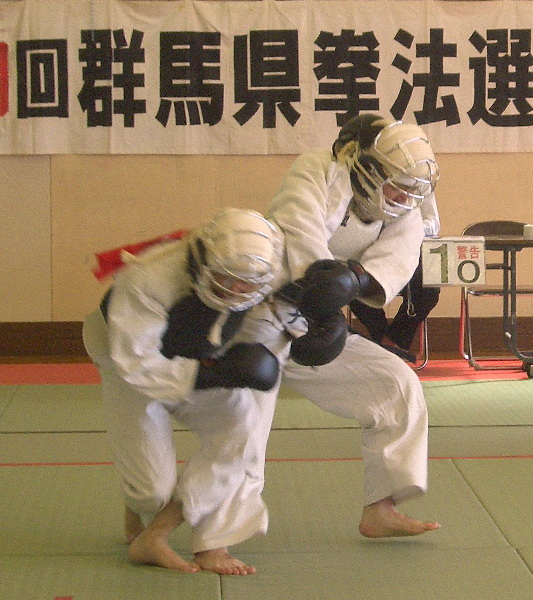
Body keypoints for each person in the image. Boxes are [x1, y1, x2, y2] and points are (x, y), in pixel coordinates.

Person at [82, 208, 349, 575]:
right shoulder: (147, 280)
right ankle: (137, 501)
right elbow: (135, 363)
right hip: (125, 360)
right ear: (203, 262)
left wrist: (329, 319)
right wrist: (216, 374)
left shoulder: (270, 263)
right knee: (151, 491)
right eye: (227, 278)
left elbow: (311, 286)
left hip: (201, 351)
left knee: (242, 426)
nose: (239, 290)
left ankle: (154, 536)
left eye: (249, 284)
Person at [267, 113, 441, 537]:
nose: (403, 197)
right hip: (264, 312)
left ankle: (380, 508)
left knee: (396, 383)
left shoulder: (407, 208)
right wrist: (324, 303)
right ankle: (151, 514)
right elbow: (299, 230)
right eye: (397, 185)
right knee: (242, 423)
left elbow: (395, 264)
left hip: (322, 323)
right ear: (368, 169)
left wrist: (357, 282)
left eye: (412, 190)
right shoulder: (318, 169)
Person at [348, 193, 441, 362]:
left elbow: (433, 223)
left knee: (429, 290)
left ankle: (391, 343)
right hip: (363, 253)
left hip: (405, 251)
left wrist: (404, 228)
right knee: (354, 283)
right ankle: (385, 341)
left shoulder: (421, 185)